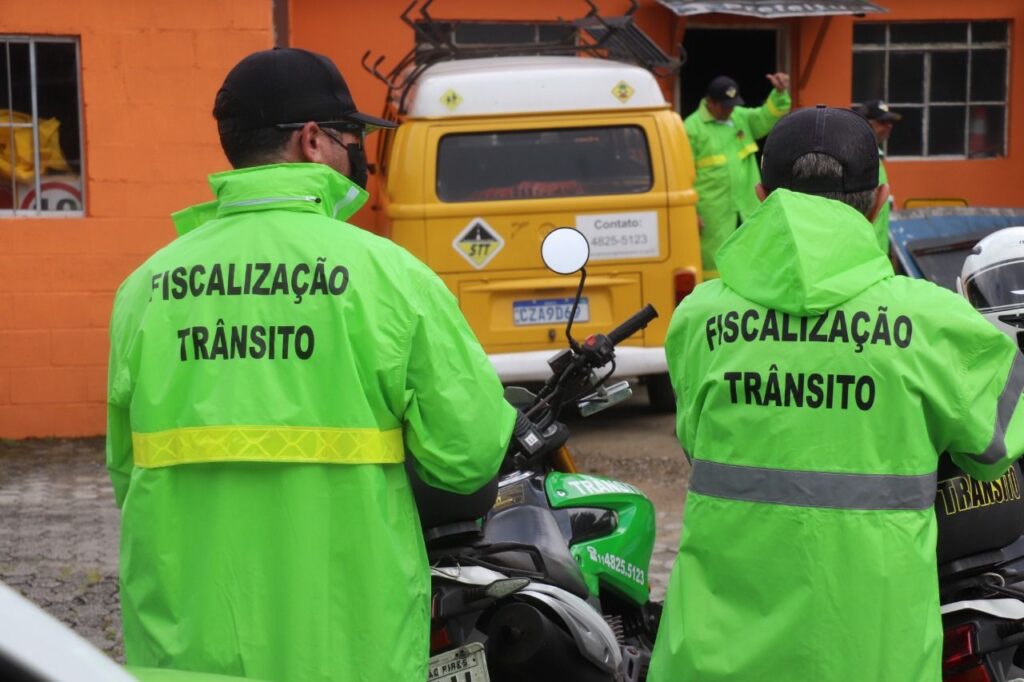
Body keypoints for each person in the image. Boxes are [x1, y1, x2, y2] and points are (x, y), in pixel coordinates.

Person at [106, 47, 517, 682]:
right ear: (313, 139)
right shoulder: (389, 275)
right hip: (344, 642)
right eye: (354, 137)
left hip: (185, 644)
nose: (361, 155)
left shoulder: (145, 289)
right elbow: (465, 457)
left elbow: (127, 473)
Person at [649, 106, 1024, 681]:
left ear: (761, 194)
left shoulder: (699, 318)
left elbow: (700, 447)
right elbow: (994, 445)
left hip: (709, 659)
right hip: (868, 656)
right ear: (877, 203)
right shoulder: (931, 321)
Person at [684, 73, 791, 279]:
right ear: (710, 102)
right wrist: (691, 212)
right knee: (714, 263)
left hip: (748, 207)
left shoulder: (740, 117)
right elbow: (682, 175)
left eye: (732, 105)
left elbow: (768, 115)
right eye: (725, 106)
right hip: (714, 212)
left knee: (754, 257)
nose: (730, 110)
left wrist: (779, 93)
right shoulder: (692, 128)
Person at [855, 98, 901, 253]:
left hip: (876, 253)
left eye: (890, 122)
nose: (889, 126)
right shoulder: (857, 156)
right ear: (866, 123)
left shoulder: (875, 155)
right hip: (863, 253)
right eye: (883, 121)